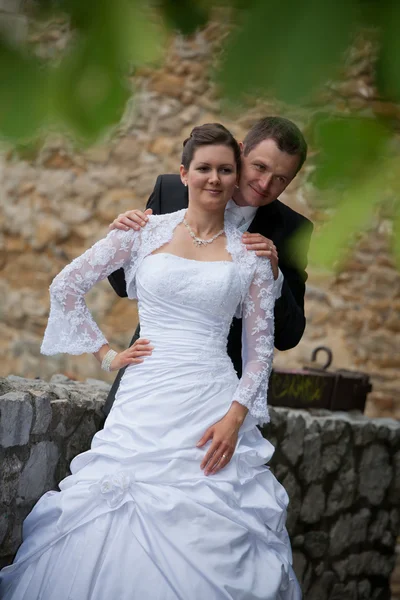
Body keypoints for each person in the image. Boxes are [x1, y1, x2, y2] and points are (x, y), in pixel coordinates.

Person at [0, 123, 301, 599]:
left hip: (211, 398)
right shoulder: (157, 210)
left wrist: (236, 415)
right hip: (144, 393)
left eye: (279, 178)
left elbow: (267, 345)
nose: (260, 183)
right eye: (257, 168)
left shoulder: (262, 250)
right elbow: (80, 285)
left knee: (209, 523)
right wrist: (107, 354)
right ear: (186, 173)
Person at [104, 116, 313, 416]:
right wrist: (121, 242)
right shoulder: (172, 191)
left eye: (281, 179)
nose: (266, 184)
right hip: (145, 379)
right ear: (240, 152)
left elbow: (288, 336)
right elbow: (122, 285)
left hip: (221, 399)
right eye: (260, 167)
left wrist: (275, 276)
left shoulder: (293, 230)